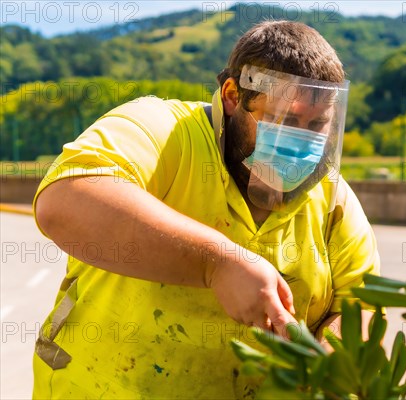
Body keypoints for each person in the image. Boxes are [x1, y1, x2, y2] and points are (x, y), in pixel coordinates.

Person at [32, 20, 380, 399]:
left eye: (317, 125)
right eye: (285, 120)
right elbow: (65, 200)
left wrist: (332, 357)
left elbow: (360, 304)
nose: (302, 141)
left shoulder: (331, 198)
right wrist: (217, 263)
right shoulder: (164, 129)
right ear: (233, 95)